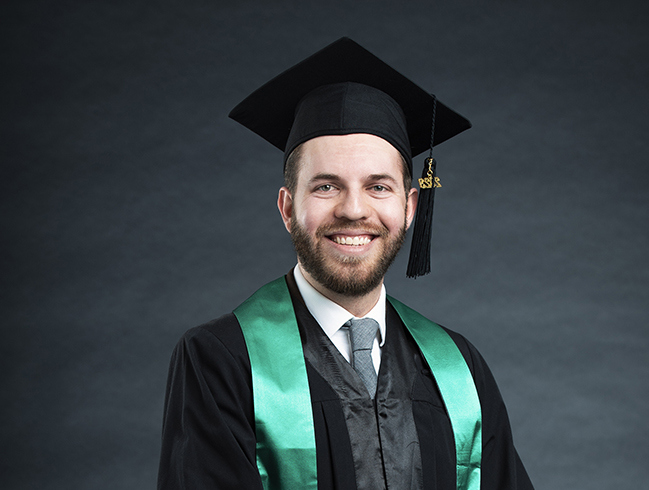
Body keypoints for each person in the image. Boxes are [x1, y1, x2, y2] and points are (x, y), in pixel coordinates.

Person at [158, 38, 534, 490]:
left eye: (378, 187)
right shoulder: (223, 361)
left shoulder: (458, 370)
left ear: (410, 207)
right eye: (326, 187)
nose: (354, 210)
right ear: (287, 208)